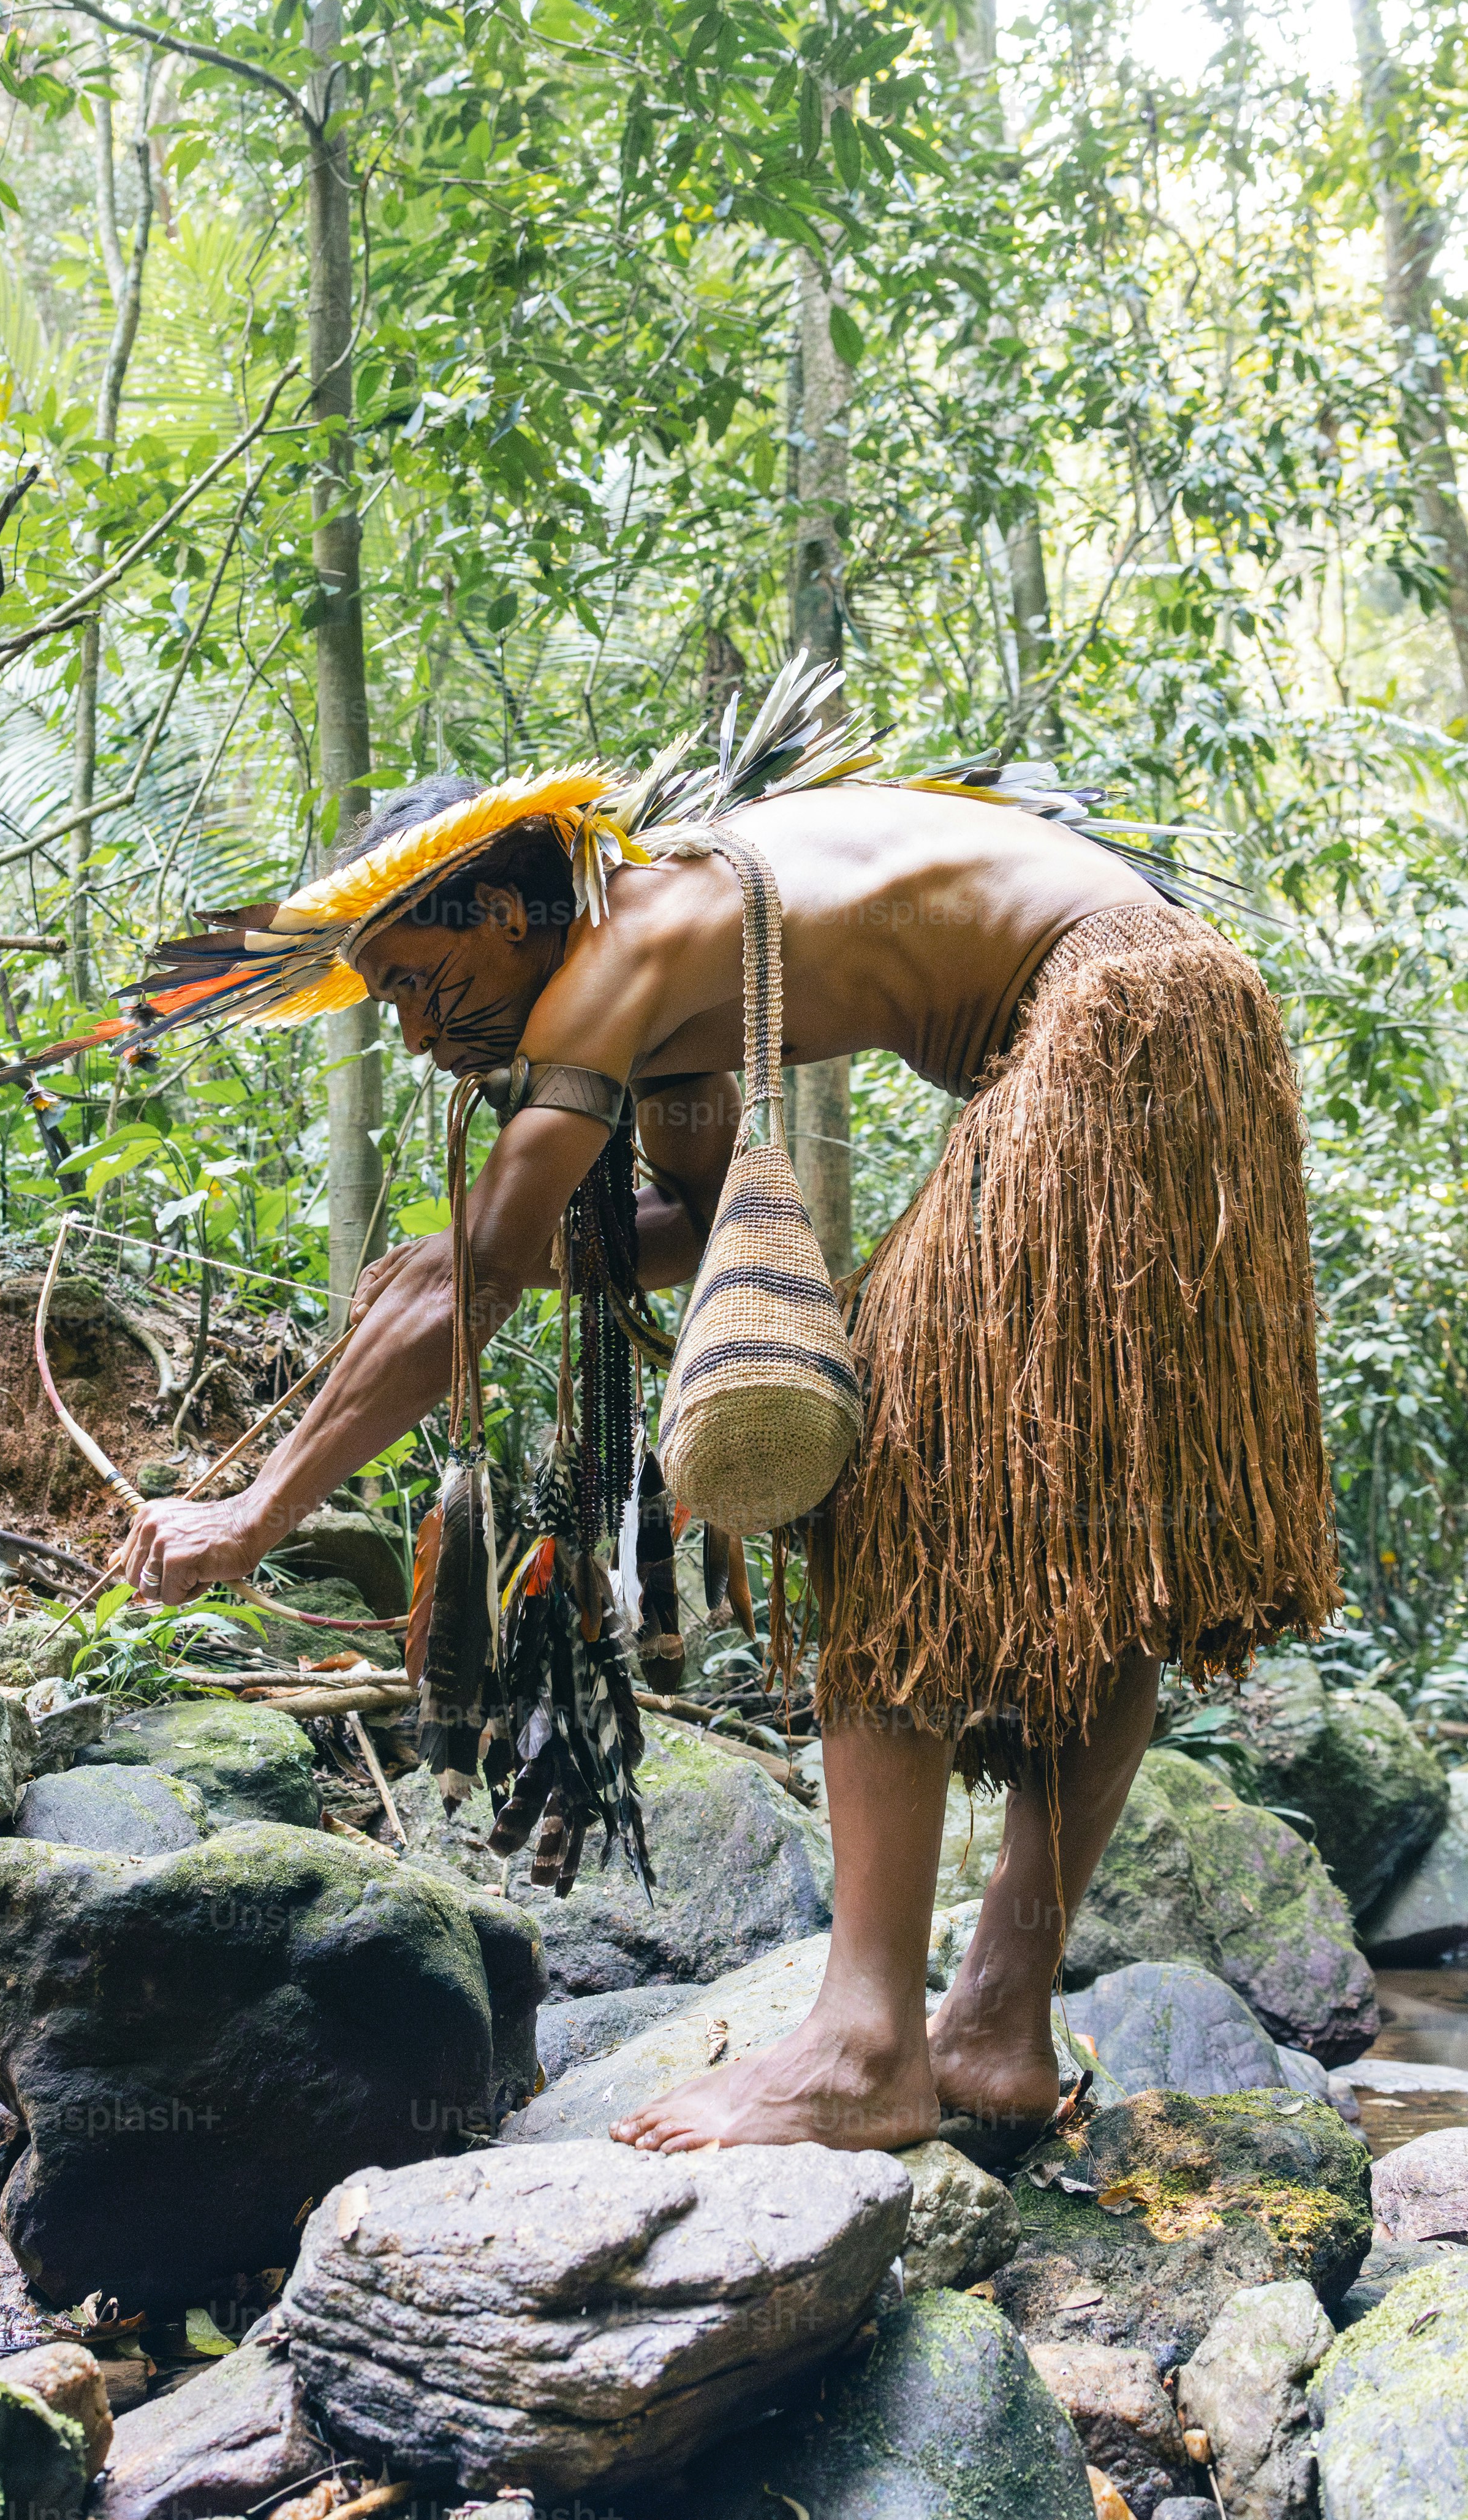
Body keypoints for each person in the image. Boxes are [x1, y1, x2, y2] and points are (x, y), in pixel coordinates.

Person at [118, 759, 1331, 2152]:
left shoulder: (614, 951)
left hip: (1106, 1031)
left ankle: (865, 2044)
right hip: (1184, 1028)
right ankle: (997, 2022)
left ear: (503, 913)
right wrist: (477, 1252)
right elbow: (692, 1226)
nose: (407, 1031)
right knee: (1090, 1551)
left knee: (891, 1502)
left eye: (410, 979)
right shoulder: (676, 967)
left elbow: (482, 1279)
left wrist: (251, 1516)